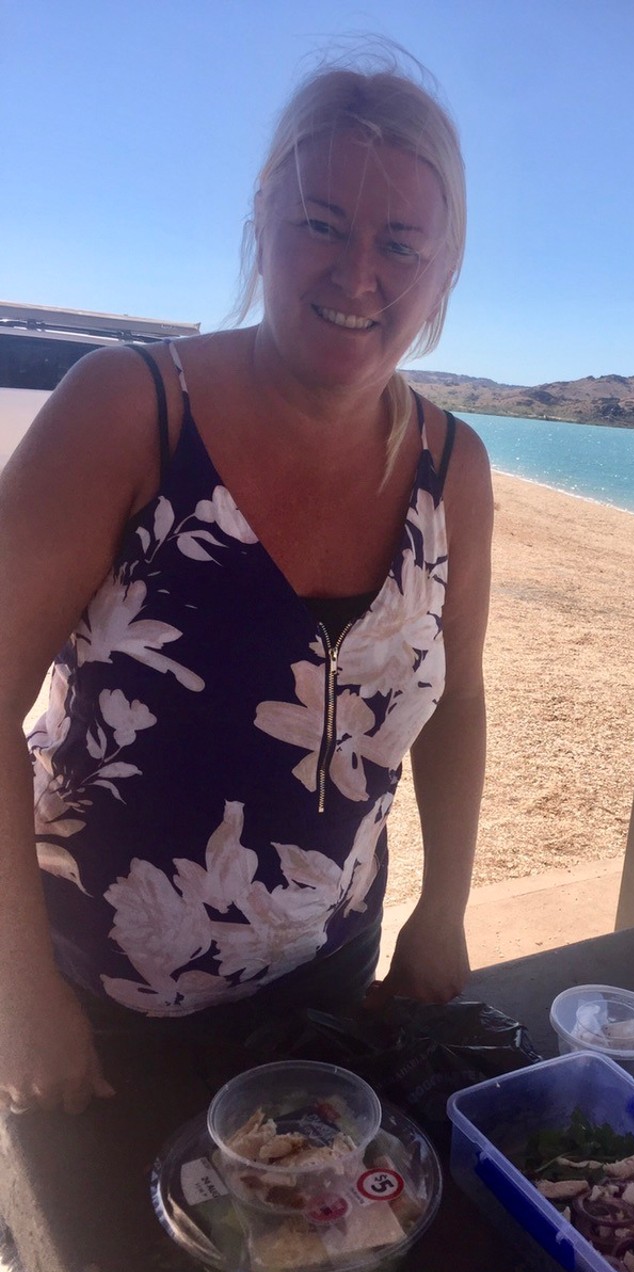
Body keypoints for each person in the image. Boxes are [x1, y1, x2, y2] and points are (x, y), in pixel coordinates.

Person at [0, 50, 493, 1116]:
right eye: (322, 223)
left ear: (444, 266)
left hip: (329, 984)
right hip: (97, 1002)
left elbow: (457, 699)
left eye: (400, 242)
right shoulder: (129, 411)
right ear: (263, 217)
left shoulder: (456, 467)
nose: (358, 275)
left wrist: (443, 907)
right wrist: (18, 987)